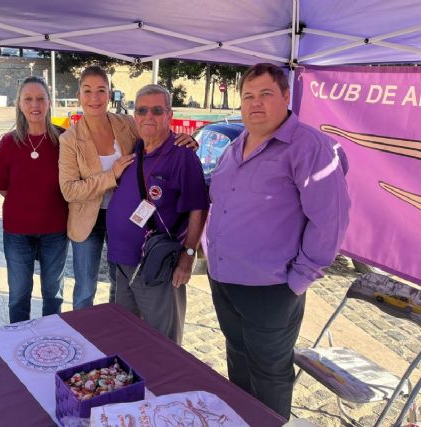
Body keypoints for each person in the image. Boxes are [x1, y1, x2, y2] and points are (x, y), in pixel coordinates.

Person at [206, 63, 351, 419]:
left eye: (265, 94)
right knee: (238, 362)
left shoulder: (309, 147)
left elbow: (330, 221)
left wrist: (297, 282)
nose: (255, 104)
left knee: (269, 375)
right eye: (248, 96)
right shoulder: (238, 143)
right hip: (224, 280)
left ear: (286, 97)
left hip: (271, 289)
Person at [59, 66, 196, 310]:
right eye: (87, 91)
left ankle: (116, 330)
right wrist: (111, 175)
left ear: (110, 94)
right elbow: (69, 190)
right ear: (79, 95)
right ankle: (83, 334)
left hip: (125, 218)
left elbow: (155, 136)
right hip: (87, 220)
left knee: (119, 281)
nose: (94, 98)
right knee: (85, 289)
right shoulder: (69, 139)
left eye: (101, 90)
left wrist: (181, 140)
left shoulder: (126, 123)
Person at [106, 84, 208, 344]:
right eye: (141, 110)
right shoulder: (138, 148)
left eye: (156, 110)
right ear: (135, 115)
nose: (148, 116)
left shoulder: (182, 155)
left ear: (169, 115)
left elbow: (199, 207)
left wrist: (188, 256)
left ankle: (166, 386)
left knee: (163, 343)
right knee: (127, 338)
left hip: (156, 265)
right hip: (122, 263)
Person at [0, 77, 68, 323]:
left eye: (40, 98)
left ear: (49, 102)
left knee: (53, 294)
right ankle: (19, 341)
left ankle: (52, 342)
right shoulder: (8, 142)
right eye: (28, 99)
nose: (34, 104)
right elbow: (3, 186)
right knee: (18, 294)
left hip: (56, 229)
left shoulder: (65, 139)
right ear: (20, 104)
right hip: (17, 231)